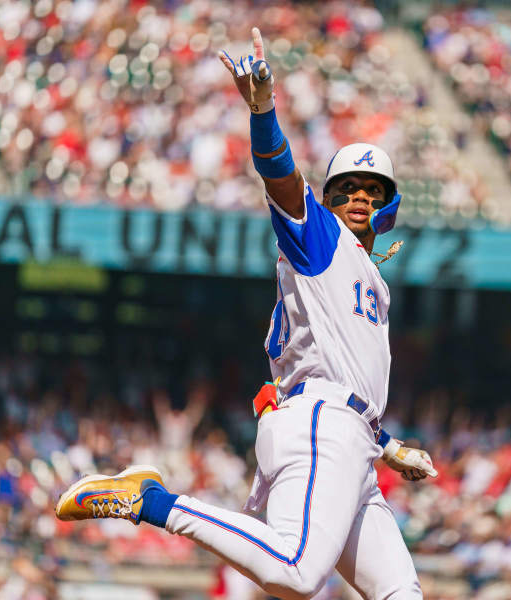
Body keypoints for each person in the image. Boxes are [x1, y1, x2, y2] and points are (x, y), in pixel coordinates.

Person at [55, 28, 436, 600]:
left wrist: (387, 447)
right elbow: (281, 177)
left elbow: (341, 370)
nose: (360, 197)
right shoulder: (321, 237)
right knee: (296, 574)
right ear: (328, 200)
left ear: (388, 208)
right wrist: (263, 113)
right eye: (347, 188)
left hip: (351, 440)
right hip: (322, 426)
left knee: (400, 594)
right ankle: (150, 501)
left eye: (373, 190)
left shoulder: (368, 275)